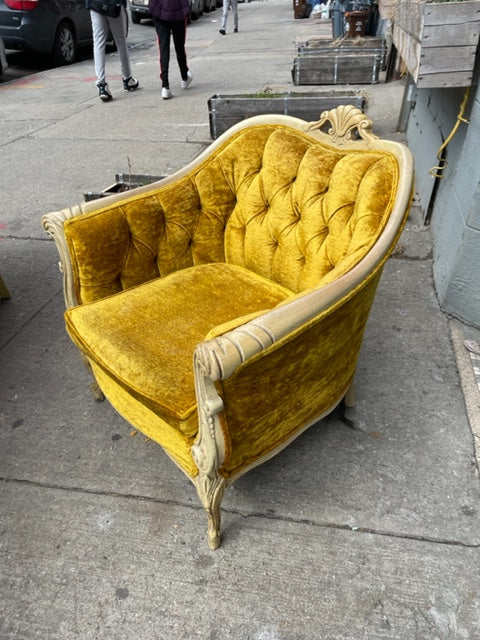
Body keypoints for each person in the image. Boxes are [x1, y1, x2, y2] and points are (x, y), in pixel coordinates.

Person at [87, 0, 139, 102]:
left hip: (95, 4)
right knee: (121, 42)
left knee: (98, 43)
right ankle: (127, 78)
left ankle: (101, 84)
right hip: (114, 5)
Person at [149, 0, 192, 100]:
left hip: (159, 8)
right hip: (178, 8)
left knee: (163, 48)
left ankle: (165, 86)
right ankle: (184, 76)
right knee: (180, 46)